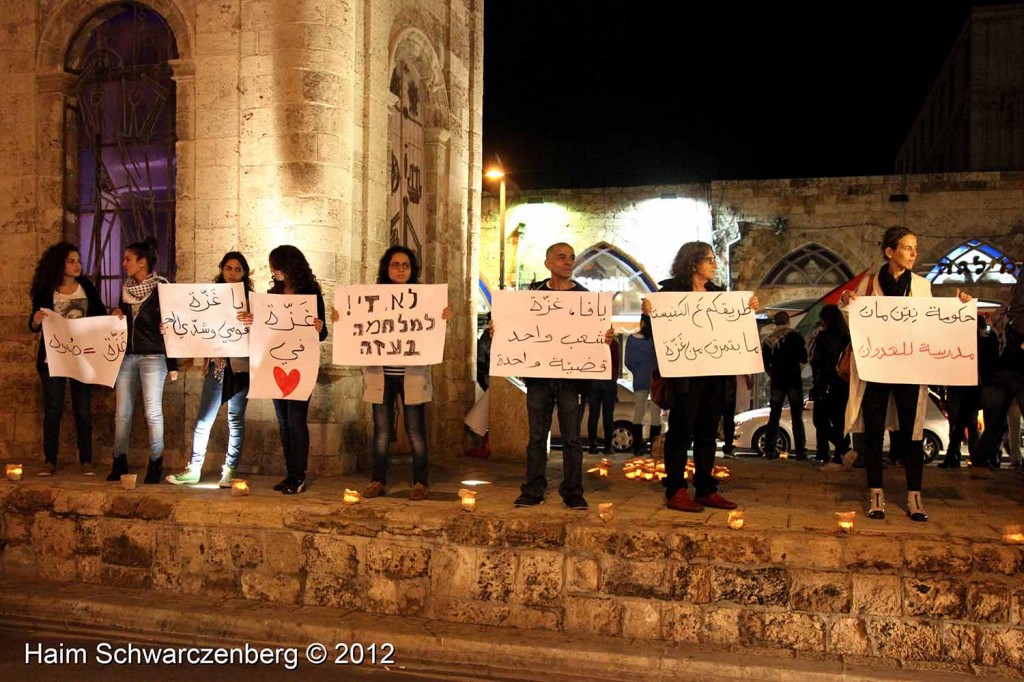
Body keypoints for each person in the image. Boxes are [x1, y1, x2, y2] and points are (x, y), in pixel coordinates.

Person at [841, 226, 972, 521]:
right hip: (876, 370)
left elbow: (934, 324)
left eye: (915, 247)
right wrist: (848, 301)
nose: (914, 253)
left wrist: (960, 306)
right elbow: (853, 318)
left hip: (909, 371)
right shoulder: (870, 282)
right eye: (907, 247)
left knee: (912, 432)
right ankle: (876, 491)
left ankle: (915, 495)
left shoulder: (922, 287)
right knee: (873, 432)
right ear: (890, 252)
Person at [642, 241, 760, 512]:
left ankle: (706, 488)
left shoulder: (719, 295)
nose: (714, 265)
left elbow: (733, 329)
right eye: (709, 259)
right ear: (694, 263)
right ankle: (676, 489)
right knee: (680, 433)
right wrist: (647, 314)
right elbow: (652, 333)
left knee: (708, 433)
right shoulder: (670, 293)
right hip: (684, 379)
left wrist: (748, 308)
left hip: (714, 376)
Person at [511, 242, 612, 510]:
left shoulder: (586, 298)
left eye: (571, 258)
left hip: (571, 380)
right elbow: (518, 329)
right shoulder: (532, 295)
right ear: (548, 264)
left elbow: (596, 336)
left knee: (571, 438)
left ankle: (573, 492)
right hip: (539, 379)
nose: (568, 262)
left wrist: (605, 338)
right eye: (561, 258)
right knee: (536, 437)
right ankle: (533, 490)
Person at [346, 246, 452, 501]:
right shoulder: (371, 297)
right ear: (387, 268)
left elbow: (432, 336)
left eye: (405, 265)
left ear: (412, 269)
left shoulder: (424, 298)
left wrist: (443, 319)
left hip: (412, 374)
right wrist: (343, 316)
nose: (400, 269)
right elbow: (354, 325)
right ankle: (377, 480)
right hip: (380, 374)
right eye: (395, 265)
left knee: (416, 431)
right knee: (381, 431)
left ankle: (420, 482)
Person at [166, 252, 254, 487]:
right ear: (221, 270)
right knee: (204, 418)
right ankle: (194, 468)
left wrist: (252, 320)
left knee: (235, 419)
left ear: (244, 273)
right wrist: (171, 327)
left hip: (241, 367)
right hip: (217, 366)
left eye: (238, 269)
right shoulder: (208, 297)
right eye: (228, 268)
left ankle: (230, 470)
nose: (233, 273)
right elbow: (190, 321)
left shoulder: (252, 299)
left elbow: (265, 331)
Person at [28, 242, 107, 476]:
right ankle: (49, 460)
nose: (77, 265)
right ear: (59, 263)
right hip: (52, 358)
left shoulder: (86, 287)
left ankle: (86, 461)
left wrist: (114, 318)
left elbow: (100, 317)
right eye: (71, 261)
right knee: (53, 409)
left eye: (78, 261)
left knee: (82, 409)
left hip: (82, 358)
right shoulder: (46, 289)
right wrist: (35, 320)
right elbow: (33, 325)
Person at [108, 238, 179, 484]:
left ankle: (155, 463)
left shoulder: (162, 289)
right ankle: (119, 462)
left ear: (142, 262)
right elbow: (123, 323)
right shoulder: (125, 290)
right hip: (127, 356)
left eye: (128, 259)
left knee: (152, 412)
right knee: (122, 413)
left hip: (153, 355)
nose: (124, 263)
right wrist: (117, 313)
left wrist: (173, 365)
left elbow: (172, 328)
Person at [265, 245, 327, 495]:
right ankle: (289, 473)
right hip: (276, 363)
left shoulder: (310, 292)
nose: (273, 270)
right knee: (283, 421)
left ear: (288, 266)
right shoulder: (274, 292)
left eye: (275, 265)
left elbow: (322, 334)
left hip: (301, 363)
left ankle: (299, 475)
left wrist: (318, 325)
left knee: (296, 420)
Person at [938, 316, 990, 468]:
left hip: (959, 386)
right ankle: (974, 459)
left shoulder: (960, 341)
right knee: (969, 426)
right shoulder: (983, 341)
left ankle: (954, 457)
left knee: (957, 425)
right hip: (971, 387)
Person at [761, 311, 808, 459]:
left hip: (777, 381)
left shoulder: (769, 340)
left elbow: (765, 362)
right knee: (796, 416)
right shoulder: (796, 337)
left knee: (774, 415)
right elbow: (804, 358)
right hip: (794, 380)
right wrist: (796, 370)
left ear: (775, 322)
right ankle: (800, 451)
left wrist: (772, 374)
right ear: (788, 321)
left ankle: (769, 449)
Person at [809, 304, 851, 468]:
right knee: (839, 420)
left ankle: (843, 450)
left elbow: (816, 361)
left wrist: (817, 380)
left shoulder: (823, 337)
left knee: (820, 420)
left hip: (825, 384)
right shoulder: (847, 337)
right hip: (843, 384)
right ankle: (841, 456)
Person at [624, 315, 660, 455]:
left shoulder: (632, 340)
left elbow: (628, 362)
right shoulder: (655, 340)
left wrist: (637, 371)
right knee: (655, 414)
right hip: (655, 379)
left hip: (639, 379)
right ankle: (654, 448)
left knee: (639, 413)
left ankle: (637, 448)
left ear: (642, 323)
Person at [583, 337, 620, 454]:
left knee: (593, 414)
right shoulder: (614, 343)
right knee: (608, 415)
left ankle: (592, 444)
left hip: (594, 380)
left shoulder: (592, 341)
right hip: (608, 379)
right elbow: (616, 362)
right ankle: (608, 446)